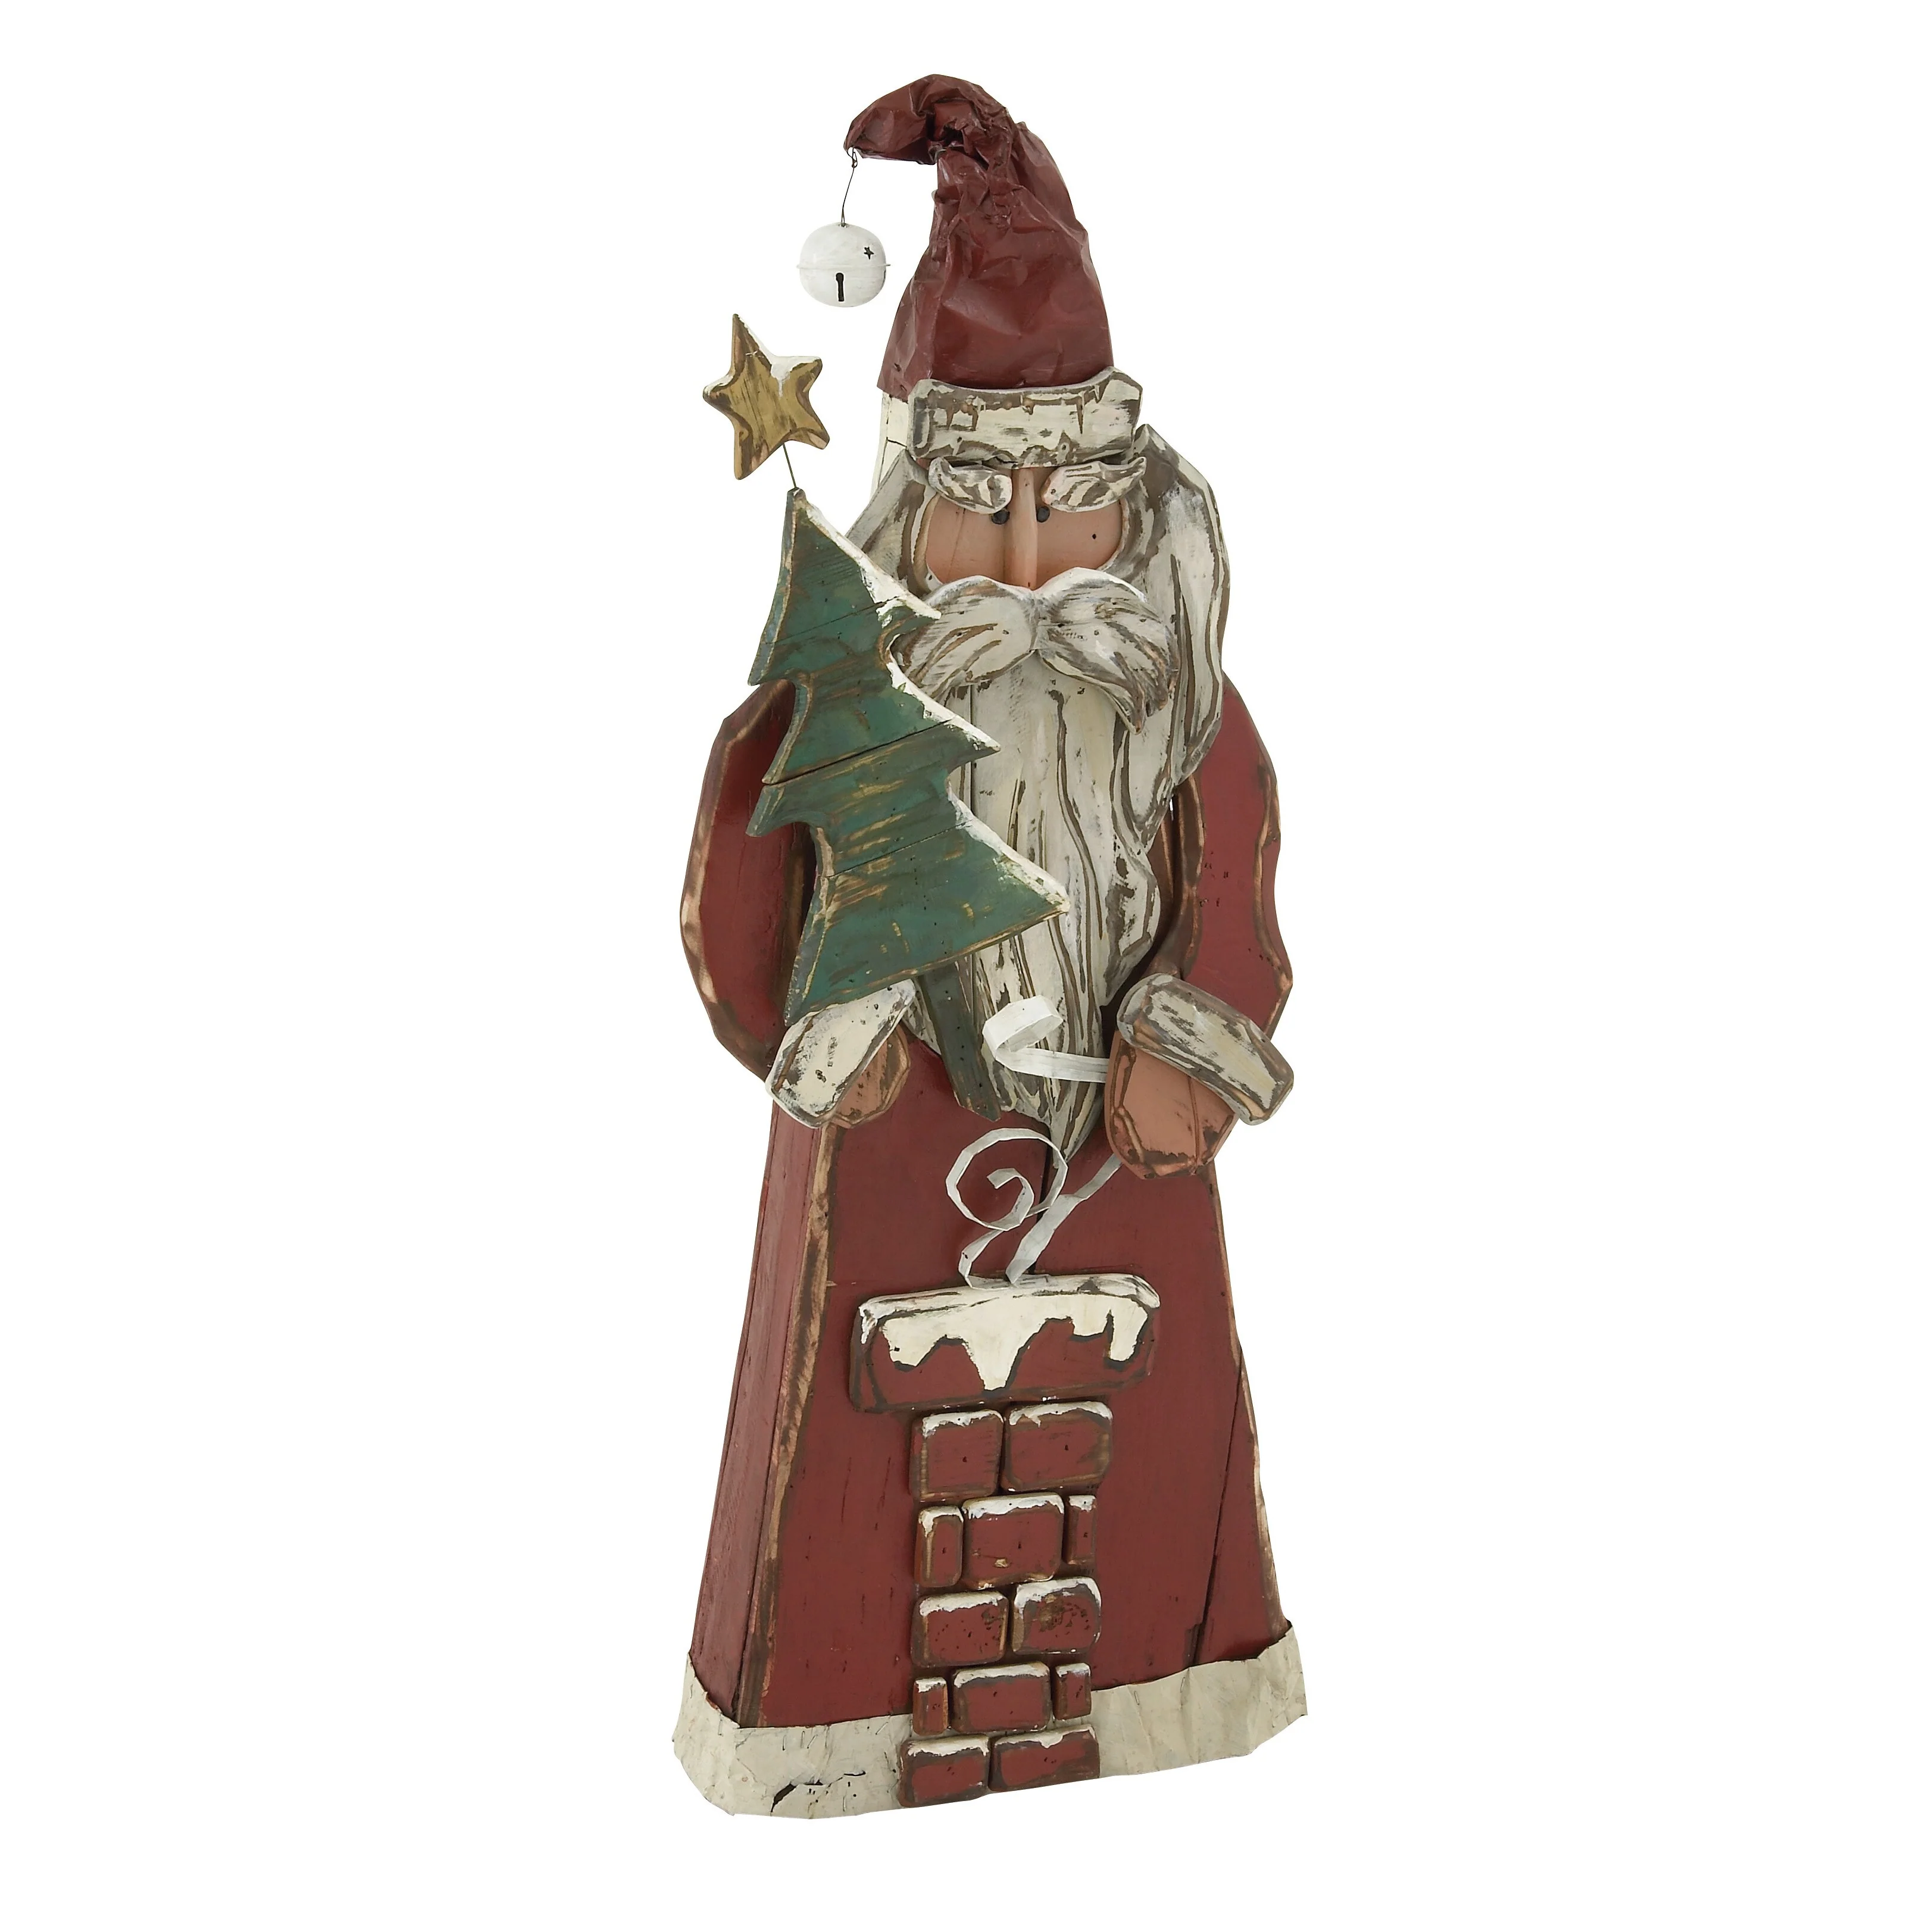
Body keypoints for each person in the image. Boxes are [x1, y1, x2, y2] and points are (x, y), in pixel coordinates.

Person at [675, 77, 1304, 1817]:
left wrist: (1191, 1043)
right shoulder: (826, 715)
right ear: (907, 503)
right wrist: (827, 1031)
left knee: (1158, 1442)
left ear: (1139, 509)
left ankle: (1163, 1681)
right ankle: (831, 1723)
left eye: (1069, 508)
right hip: (900, 1131)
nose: (1028, 569)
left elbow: (1235, 886)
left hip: (1129, 1144)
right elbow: (737, 899)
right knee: (856, 1458)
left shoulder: (1177, 715)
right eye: (983, 510)